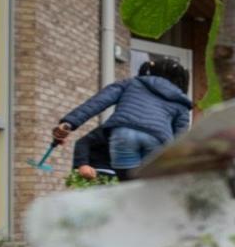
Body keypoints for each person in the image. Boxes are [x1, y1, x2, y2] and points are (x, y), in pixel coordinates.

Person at [53, 60, 192, 179]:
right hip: (158, 139)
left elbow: (98, 102)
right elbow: (181, 136)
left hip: (124, 132)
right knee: (150, 182)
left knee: (126, 180)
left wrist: (69, 123)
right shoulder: (181, 101)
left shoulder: (132, 83)